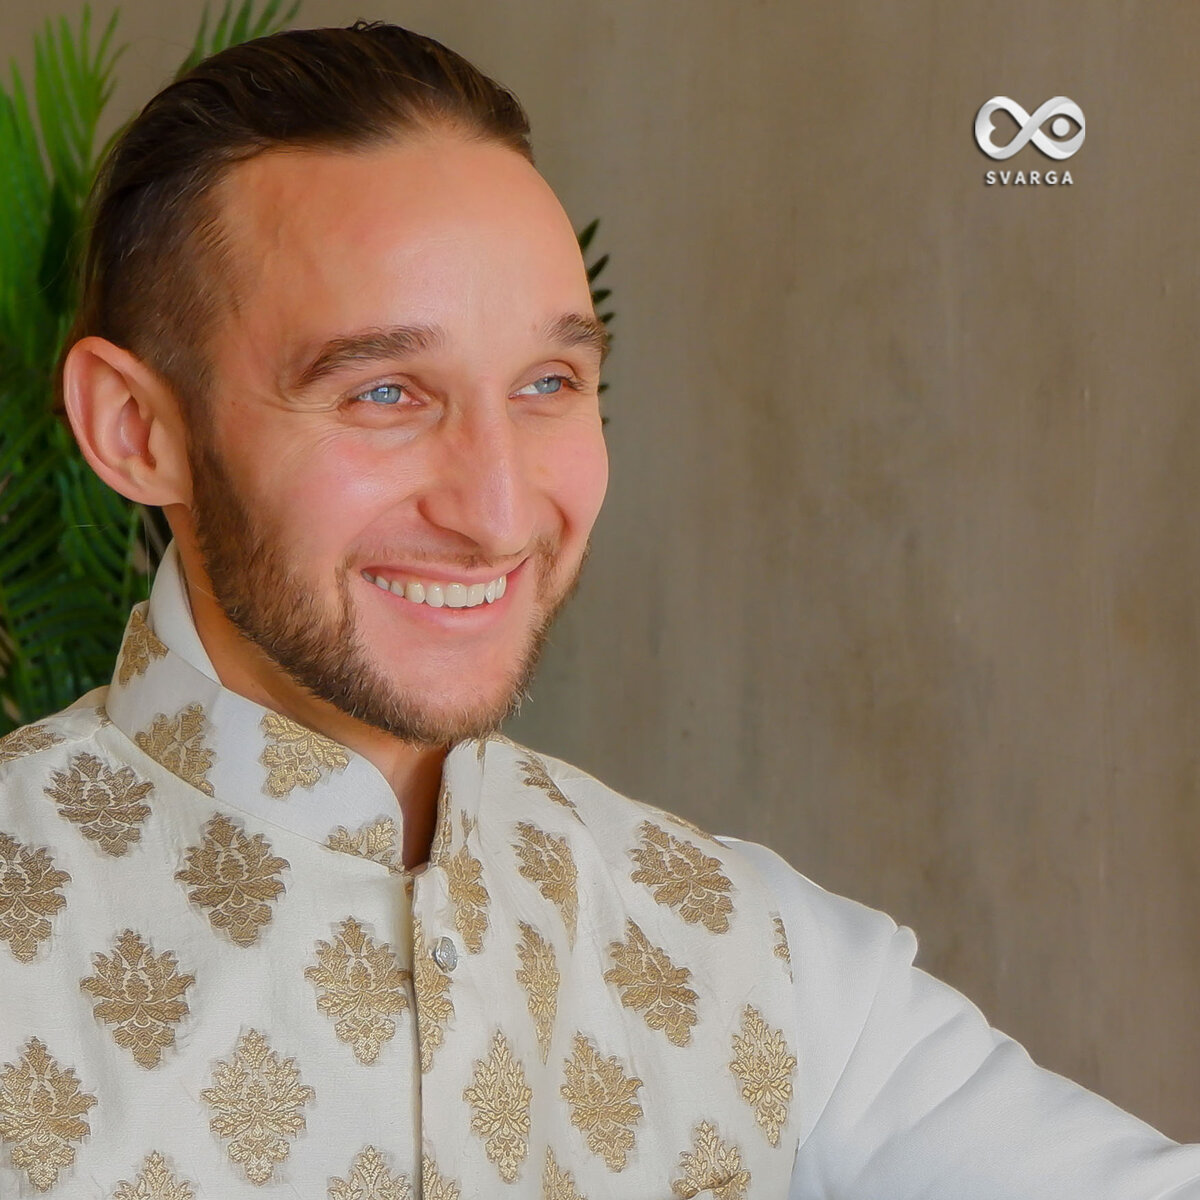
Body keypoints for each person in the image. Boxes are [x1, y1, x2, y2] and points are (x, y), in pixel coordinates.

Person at [0, 19, 1196, 1199]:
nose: (500, 510)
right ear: (137, 429)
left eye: (548, 383)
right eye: (384, 392)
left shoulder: (766, 961)